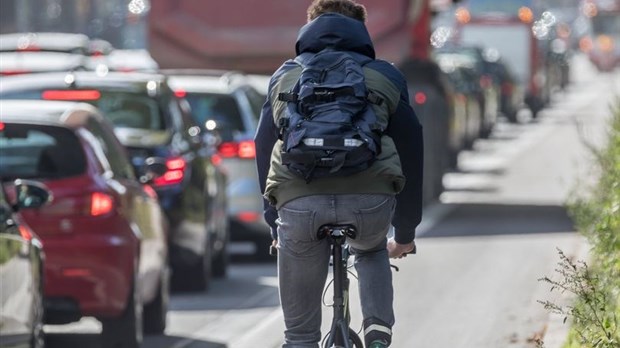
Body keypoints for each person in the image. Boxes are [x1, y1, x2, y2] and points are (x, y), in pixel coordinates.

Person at [254, 0, 424, 347]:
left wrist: (275, 222)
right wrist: (405, 231)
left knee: (299, 336)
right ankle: (377, 333)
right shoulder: (385, 75)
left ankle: (302, 340)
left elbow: (262, 144)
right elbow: (411, 148)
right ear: (361, 30)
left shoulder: (285, 76)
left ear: (310, 27)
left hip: (300, 202)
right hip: (369, 201)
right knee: (371, 249)